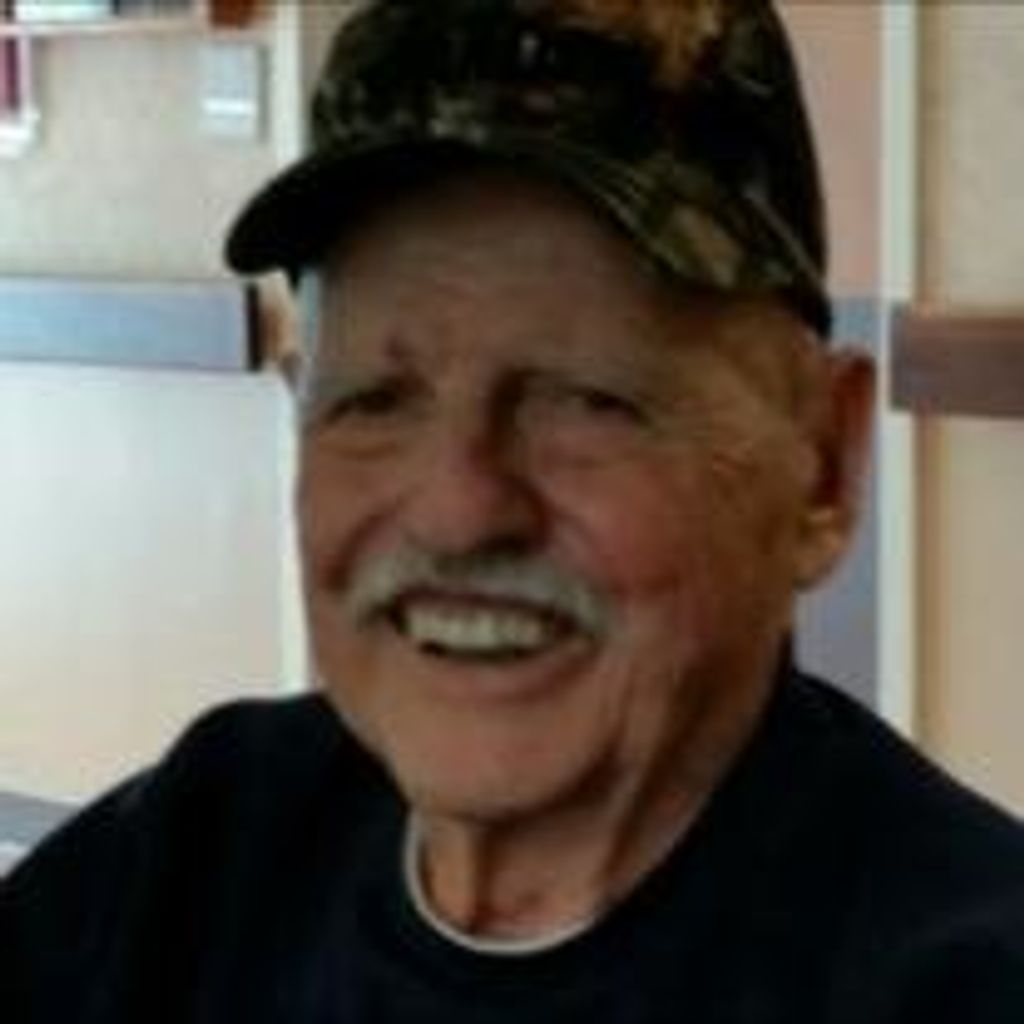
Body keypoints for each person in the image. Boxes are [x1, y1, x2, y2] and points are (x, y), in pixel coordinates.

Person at [4, 1, 1023, 1020]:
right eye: (376, 400)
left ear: (822, 467)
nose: (457, 511)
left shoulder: (964, 976)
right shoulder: (197, 853)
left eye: (588, 399)